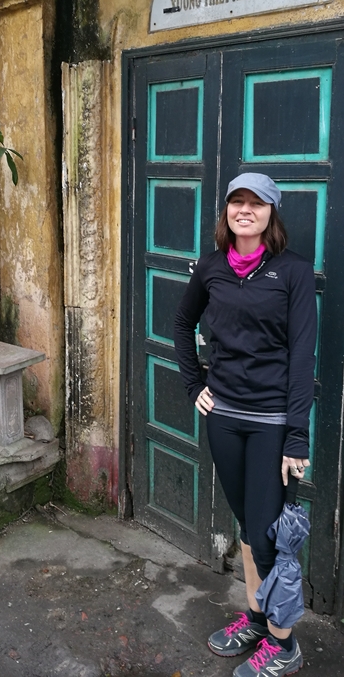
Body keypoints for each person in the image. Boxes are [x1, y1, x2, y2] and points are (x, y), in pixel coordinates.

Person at [174, 172, 316, 677]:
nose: (245, 210)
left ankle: (285, 644)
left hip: (273, 421)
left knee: (268, 531)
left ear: (271, 213)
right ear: (227, 212)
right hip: (225, 418)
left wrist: (297, 432)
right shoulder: (211, 268)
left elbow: (302, 356)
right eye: (237, 201)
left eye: (256, 203)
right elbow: (181, 322)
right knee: (250, 531)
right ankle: (257, 618)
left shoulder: (293, 272)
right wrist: (195, 385)